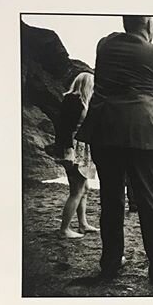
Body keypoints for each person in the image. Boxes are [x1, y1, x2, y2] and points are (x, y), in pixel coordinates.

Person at [76, 16, 153, 285]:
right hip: (142, 134)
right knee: (149, 199)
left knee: (110, 200)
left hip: (105, 130)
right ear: (148, 24)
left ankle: (111, 264)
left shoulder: (105, 45)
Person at [55, 72, 98, 239]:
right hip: (74, 147)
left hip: (82, 147)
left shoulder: (81, 101)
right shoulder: (73, 100)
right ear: (86, 84)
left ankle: (83, 224)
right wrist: (68, 150)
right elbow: (64, 127)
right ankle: (64, 229)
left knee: (84, 188)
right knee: (76, 189)